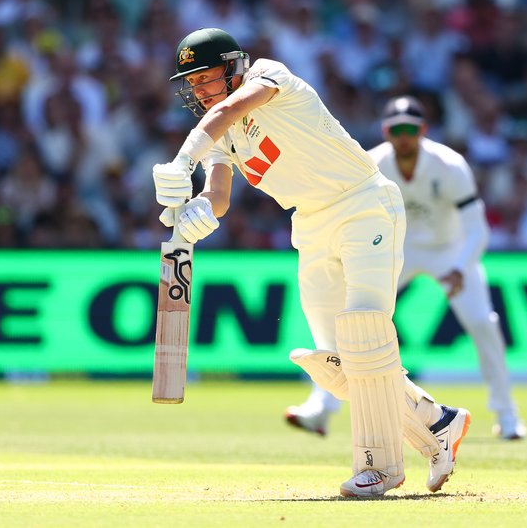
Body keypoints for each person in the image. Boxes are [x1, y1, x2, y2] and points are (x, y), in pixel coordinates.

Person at [152, 28, 471, 498]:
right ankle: (437, 422)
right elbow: (218, 194)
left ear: (234, 65)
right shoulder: (218, 139)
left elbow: (228, 110)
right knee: (338, 363)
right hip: (311, 224)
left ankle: (380, 468)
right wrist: (199, 211)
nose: (199, 90)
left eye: (206, 77)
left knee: (365, 330)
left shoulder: (268, 76)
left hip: (363, 203)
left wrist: (182, 158)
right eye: (192, 83)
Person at [286, 96, 526, 440]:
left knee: (483, 324)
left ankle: (508, 416)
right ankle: (320, 408)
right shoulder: (371, 162)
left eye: (410, 130)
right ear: (385, 131)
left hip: (450, 250)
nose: (403, 137)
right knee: (352, 319)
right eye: (396, 130)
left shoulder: (449, 164)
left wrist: (460, 267)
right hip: (398, 248)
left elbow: (477, 228)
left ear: (423, 130)